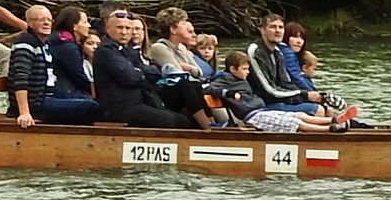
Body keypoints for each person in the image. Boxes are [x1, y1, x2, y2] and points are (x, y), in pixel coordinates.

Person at [92, 9, 202, 129]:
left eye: (127, 28)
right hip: (119, 108)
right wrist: (140, 73)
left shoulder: (130, 49)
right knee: (169, 121)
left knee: (182, 120)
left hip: (140, 101)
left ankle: (206, 134)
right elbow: (130, 77)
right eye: (119, 28)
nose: (124, 32)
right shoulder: (106, 51)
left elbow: (155, 72)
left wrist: (139, 71)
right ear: (108, 28)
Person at [5, 6, 103, 127]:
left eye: (49, 20)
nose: (46, 23)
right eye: (40, 20)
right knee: (92, 107)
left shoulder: (45, 45)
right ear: (29, 22)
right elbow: (20, 78)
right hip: (35, 104)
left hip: (47, 97)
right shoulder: (26, 43)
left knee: (90, 104)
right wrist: (24, 112)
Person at [208, 52, 353, 133]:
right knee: (294, 122)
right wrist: (228, 94)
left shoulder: (240, 79)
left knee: (300, 115)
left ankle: (335, 120)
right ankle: (329, 129)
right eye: (245, 69)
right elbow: (207, 88)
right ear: (233, 69)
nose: (248, 72)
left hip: (260, 111)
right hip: (252, 117)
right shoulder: (224, 79)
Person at [246, 14, 329, 116]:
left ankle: (346, 126)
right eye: (272, 27)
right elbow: (268, 90)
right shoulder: (255, 51)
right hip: (260, 104)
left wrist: (314, 95)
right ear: (262, 30)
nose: (277, 30)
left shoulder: (277, 52)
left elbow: (286, 83)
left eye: (280, 27)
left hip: (276, 100)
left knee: (328, 108)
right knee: (317, 110)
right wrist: (304, 95)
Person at [49, 6, 94, 99]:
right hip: (65, 92)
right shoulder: (68, 47)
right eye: (85, 22)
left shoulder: (59, 41)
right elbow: (79, 77)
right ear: (74, 26)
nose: (89, 25)